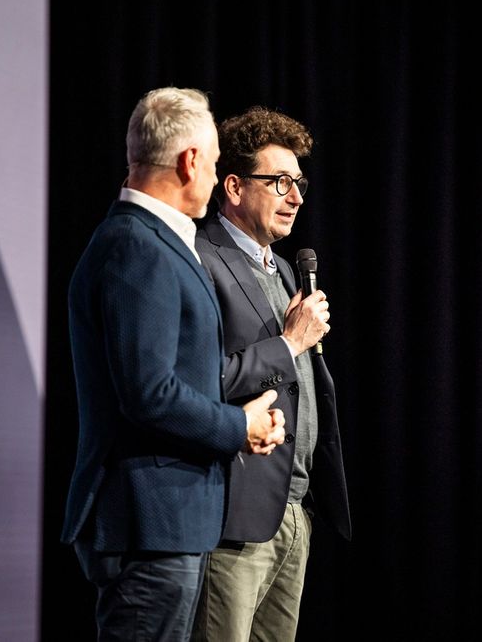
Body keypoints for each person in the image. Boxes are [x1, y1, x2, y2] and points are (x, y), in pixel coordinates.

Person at [61, 87, 286, 642]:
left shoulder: (153, 241)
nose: (213, 178)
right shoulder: (136, 245)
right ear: (190, 162)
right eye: (212, 164)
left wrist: (249, 413)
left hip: (168, 522)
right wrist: (239, 426)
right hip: (147, 524)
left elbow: (172, 374)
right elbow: (149, 393)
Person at [191, 106, 352, 641]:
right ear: (233, 187)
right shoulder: (201, 259)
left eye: (299, 182)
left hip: (294, 509)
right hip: (236, 511)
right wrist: (289, 343)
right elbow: (197, 380)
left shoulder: (283, 269)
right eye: (280, 181)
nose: (297, 196)